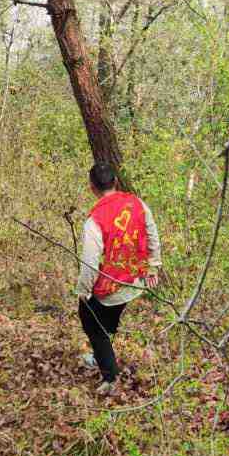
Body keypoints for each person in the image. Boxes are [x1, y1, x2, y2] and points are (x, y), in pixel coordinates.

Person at [75, 162, 161, 397]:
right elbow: (152, 234)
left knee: (90, 319)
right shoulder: (137, 203)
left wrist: (83, 290)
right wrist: (153, 267)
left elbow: (90, 262)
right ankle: (102, 353)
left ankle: (110, 377)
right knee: (106, 316)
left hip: (113, 285)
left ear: (92, 187)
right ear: (115, 181)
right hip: (136, 279)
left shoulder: (94, 220)